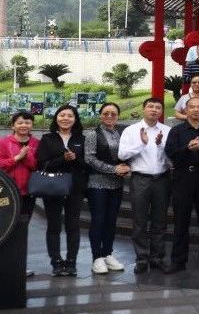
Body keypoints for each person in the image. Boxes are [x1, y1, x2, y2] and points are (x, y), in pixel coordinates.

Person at [164, 97, 199, 274]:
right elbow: (170, 153)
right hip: (182, 180)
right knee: (180, 222)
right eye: (192, 107)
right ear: (186, 110)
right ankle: (178, 261)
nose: (196, 110)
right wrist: (187, 149)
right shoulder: (177, 131)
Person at [118, 98, 172, 274]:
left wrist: (161, 145)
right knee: (139, 220)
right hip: (140, 179)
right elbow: (122, 154)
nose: (154, 110)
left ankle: (157, 257)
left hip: (162, 179)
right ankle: (141, 258)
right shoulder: (131, 130)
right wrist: (141, 143)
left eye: (158, 107)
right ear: (144, 109)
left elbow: (172, 159)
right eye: (150, 106)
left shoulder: (167, 130)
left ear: (161, 111)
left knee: (160, 220)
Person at [36, 105, 87, 277]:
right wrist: (62, 159)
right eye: (62, 115)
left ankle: (71, 261)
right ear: (56, 118)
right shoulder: (47, 138)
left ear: (75, 119)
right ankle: (56, 262)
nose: (65, 118)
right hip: (52, 187)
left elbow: (87, 164)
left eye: (70, 116)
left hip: (75, 188)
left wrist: (76, 158)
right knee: (54, 225)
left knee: (73, 225)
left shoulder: (82, 138)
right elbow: (41, 164)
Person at [84, 102, 128, 275]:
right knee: (98, 220)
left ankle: (107, 254)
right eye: (106, 113)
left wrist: (126, 167)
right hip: (97, 183)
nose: (110, 116)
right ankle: (97, 258)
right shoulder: (92, 134)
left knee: (111, 220)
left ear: (118, 116)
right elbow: (89, 159)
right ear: (100, 115)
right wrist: (113, 169)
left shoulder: (121, 133)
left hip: (116, 184)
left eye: (113, 114)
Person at [0, 110, 39, 277]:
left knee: (22, 229)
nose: (24, 125)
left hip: (28, 192)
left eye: (27, 122)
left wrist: (26, 156)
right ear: (13, 125)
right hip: (7, 193)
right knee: (4, 227)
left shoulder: (36, 143)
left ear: (32, 125)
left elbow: (37, 165)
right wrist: (17, 158)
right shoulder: (4, 142)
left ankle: (19, 266)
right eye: (20, 122)